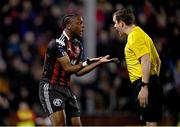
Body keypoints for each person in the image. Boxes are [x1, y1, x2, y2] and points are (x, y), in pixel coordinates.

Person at [39, 13, 119, 126]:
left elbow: (78, 72)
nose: (83, 26)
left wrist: (98, 63)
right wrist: (87, 62)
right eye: (79, 23)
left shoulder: (78, 46)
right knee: (60, 124)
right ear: (69, 25)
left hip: (66, 88)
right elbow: (68, 69)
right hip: (51, 88)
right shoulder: (57, 44)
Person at [113, 8, 163, 126]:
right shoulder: (142, 34)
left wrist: (145, 87)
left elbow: (146, 60)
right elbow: (158, 61)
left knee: (149, 123)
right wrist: (153, 82)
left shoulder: (134, 36)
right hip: (150, 82)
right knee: (148, 121)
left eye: (115, 23)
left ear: (122, 23)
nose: (115, 26)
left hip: (144, 83)